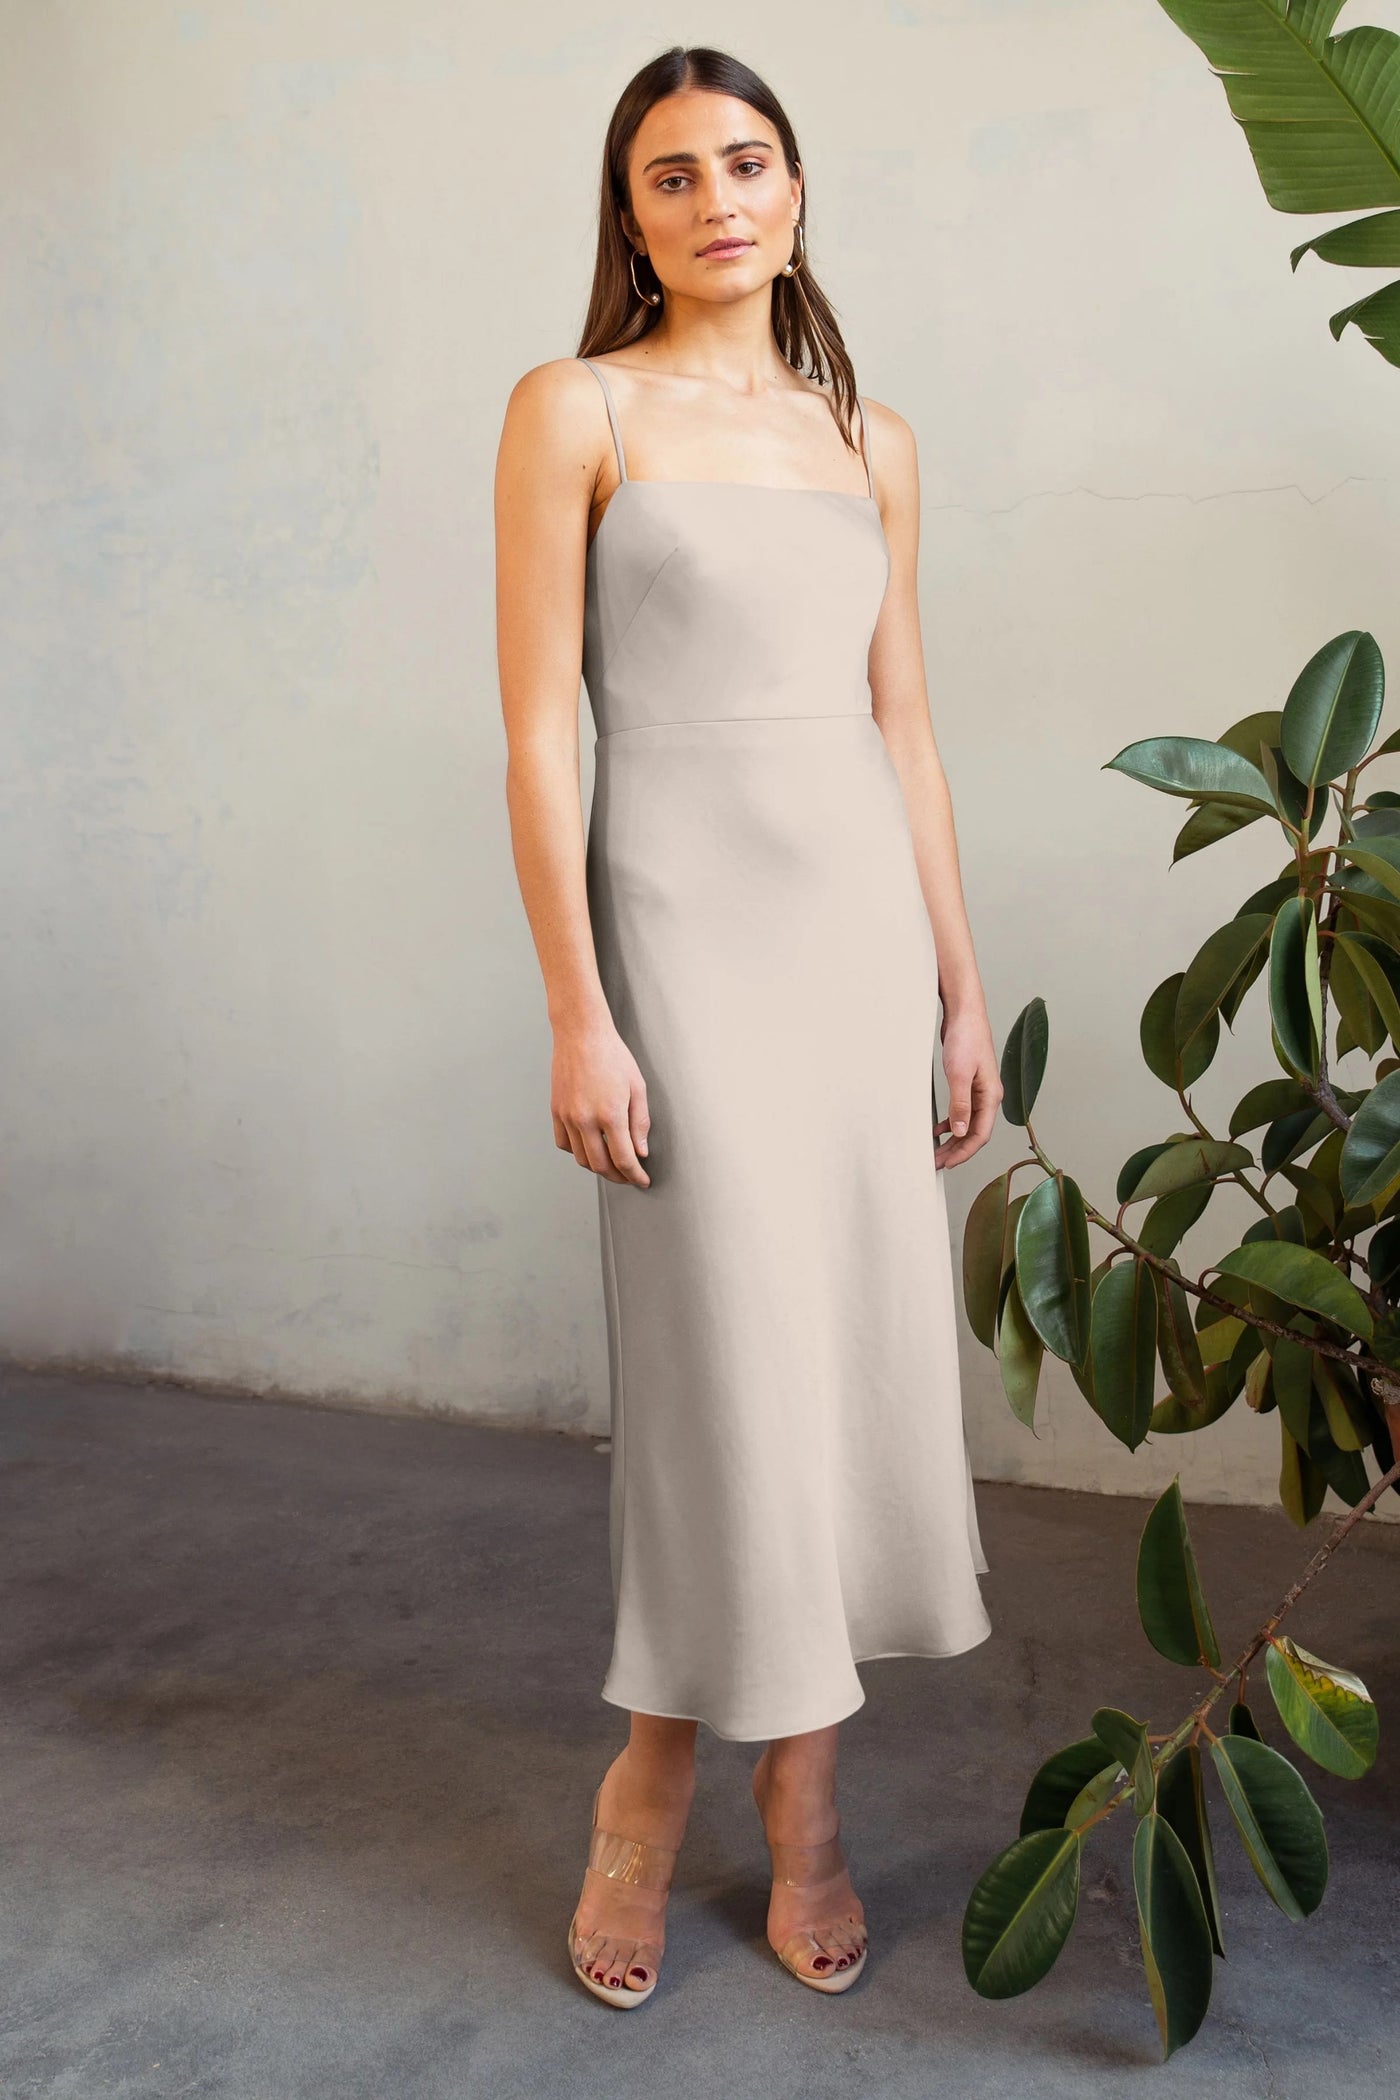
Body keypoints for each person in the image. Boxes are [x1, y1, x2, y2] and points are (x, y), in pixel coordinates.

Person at [495, 44, 1001, 2009]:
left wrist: (962, 984)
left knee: (848, 1361)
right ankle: (648, 1779)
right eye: (673, 175)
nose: (718, 198)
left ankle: (806, 1799)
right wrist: (576, 1006)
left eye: (749, 162)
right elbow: (543, 727)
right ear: (629, 219)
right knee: (720, 1379)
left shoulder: (868, 434)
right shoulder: (574, 409)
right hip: (677, 936)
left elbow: (907, 726)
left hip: (855, 940)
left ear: (796, 190)